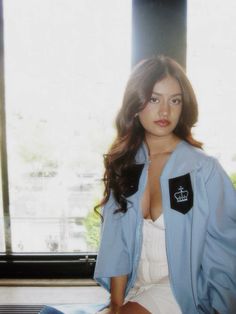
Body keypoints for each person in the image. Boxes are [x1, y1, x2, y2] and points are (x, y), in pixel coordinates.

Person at [94, 55, 236, 314]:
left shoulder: (203, 170)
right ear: (136, 104)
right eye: (154, 99)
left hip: (183, 289)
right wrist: (115, 305)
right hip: (135, 288)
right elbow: (116, 243)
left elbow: (226, 251)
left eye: (175, 100)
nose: (165, 111)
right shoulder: (125, 164)